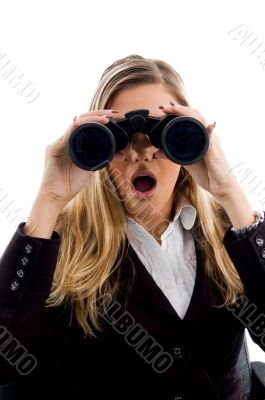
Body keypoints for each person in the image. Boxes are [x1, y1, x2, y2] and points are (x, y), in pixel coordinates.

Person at [0, 54, 265, 400]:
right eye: (119, 136)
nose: (140, 152)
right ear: (96, 145)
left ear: (187, 138)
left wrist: (231, 193)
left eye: (161, 131)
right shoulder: (59, 242)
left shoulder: (230, 233)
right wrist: (49, 200)